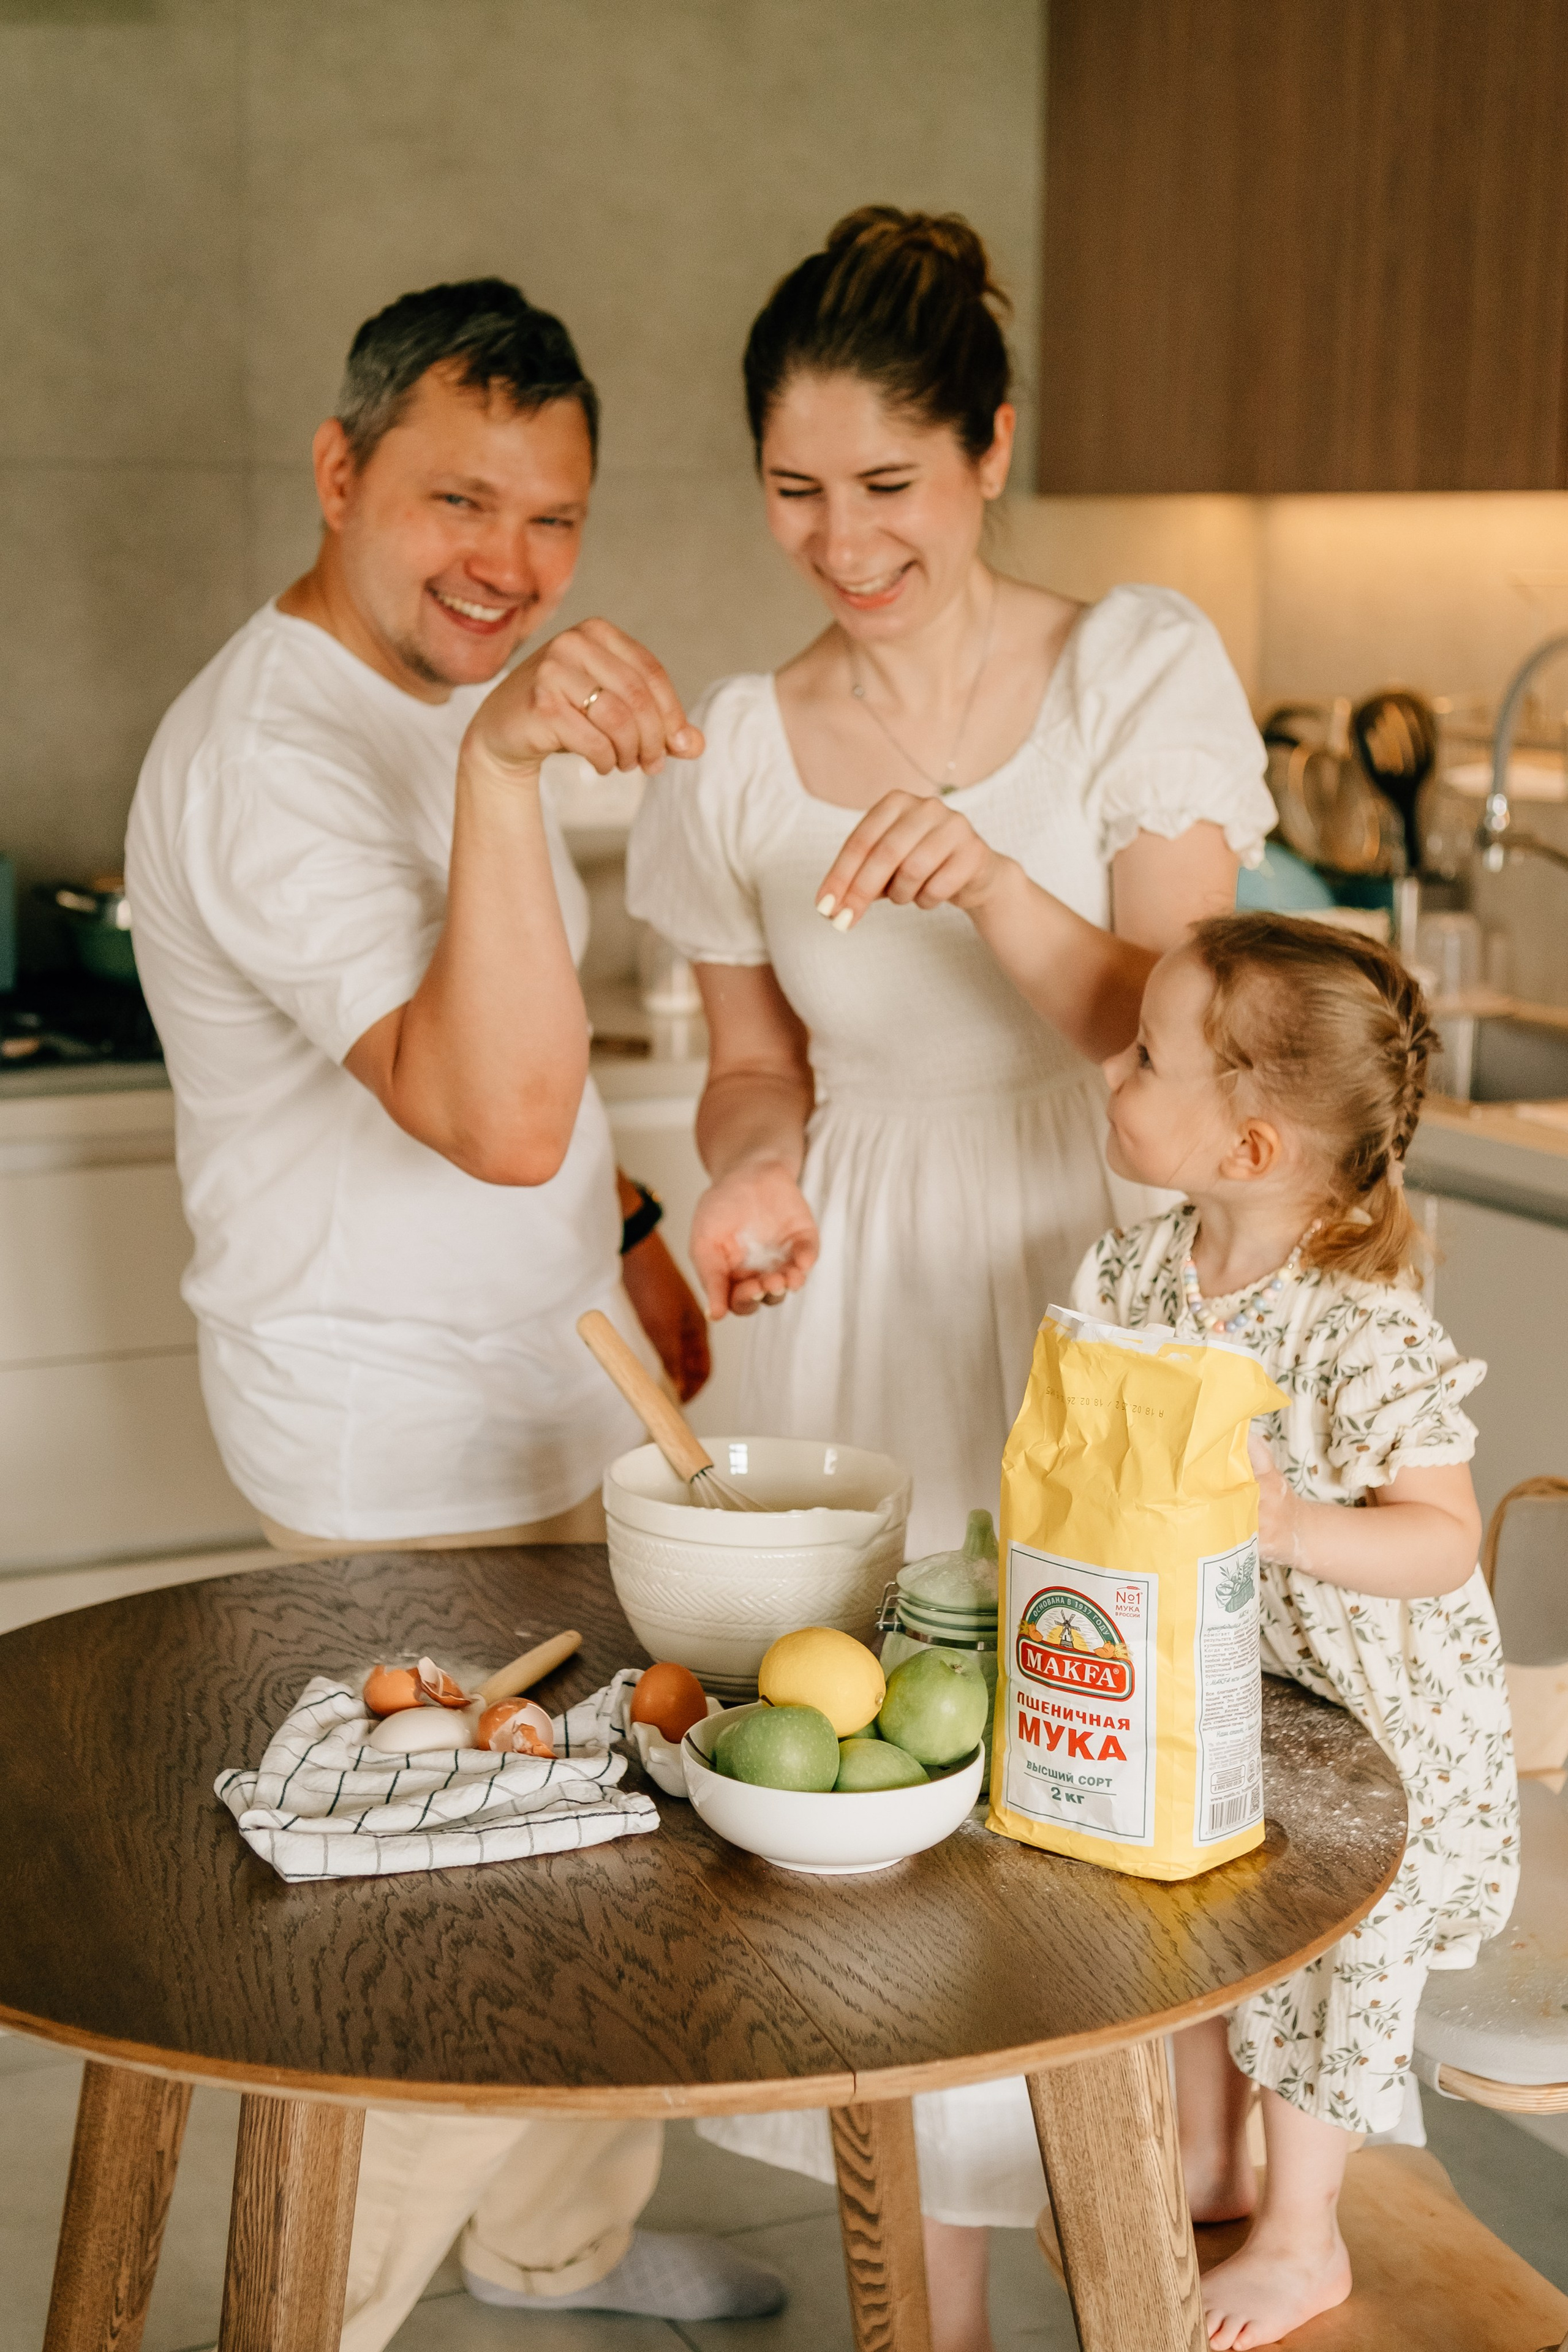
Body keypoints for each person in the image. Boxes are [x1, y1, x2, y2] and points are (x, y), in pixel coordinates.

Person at [626, 206, 1278, 2350]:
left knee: (1111, 1789)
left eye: (888, 487)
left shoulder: (1131, 668)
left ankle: (1171, 2265)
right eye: (798, 491)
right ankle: (932, 2318)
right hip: (867, 1306)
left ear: (991, 450)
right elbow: (752, 1072)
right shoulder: (738, 745)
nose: (844, 539)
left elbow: (1175, 1041)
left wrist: (990, 872)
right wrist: (746, 1188)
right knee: (888, 1805)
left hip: (1097, 1279)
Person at [126, 278, 779, 2348]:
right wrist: (510, 764)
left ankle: (555, 2253)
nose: (507, 560)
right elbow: (486, 1113)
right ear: (340, 474)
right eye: (454, 498)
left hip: (537, 1393)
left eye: (553, 518)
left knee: (612, 1859)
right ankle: (297, 2326)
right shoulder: (270, 755)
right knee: (449, 1939)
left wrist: (647, 1238)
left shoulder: (426, 701)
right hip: (387, 1447)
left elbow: (542, 1077)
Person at [1077, 912, 1517, 2350]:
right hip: (1234, 1688)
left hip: (1376, 1733)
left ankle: (1298, 2234)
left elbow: (1441, 1537)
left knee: (1335, 1945)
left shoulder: (1356, 1326)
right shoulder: (1141, 1271)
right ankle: (1208, 2160)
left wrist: (1292, 1529)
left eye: (1145, 1056)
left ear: (1249, 1150)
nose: (1110, 1070)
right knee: (1195, 1913)